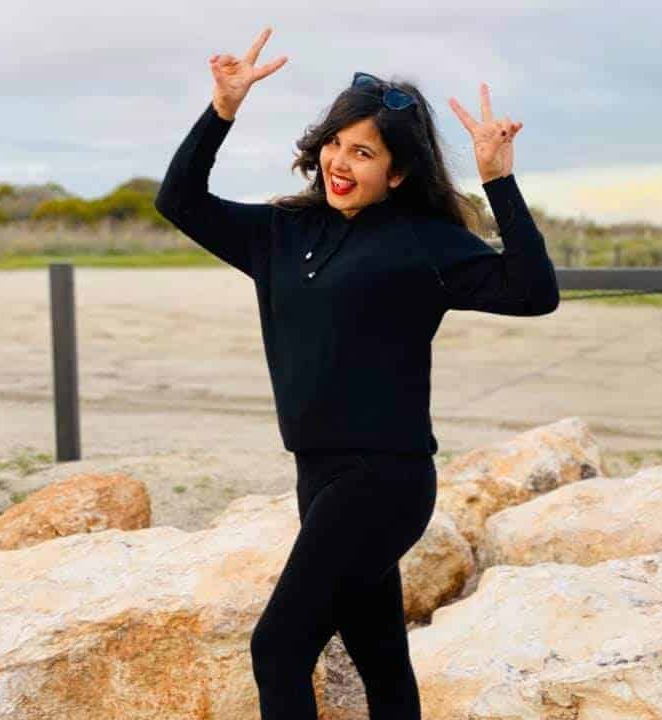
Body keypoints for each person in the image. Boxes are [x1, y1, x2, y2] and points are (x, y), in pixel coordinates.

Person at [155, 26, 559, 720]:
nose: (340, 162)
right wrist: (222, 109)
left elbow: (533, 291)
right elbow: (179, 200)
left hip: (384, 480)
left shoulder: (424, 243)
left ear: (397, 173)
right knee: (379, 653)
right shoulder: (281, 232)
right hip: (317, 475)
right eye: (335, 143)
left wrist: (499, 180)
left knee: (278, 648)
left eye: (363, 152)